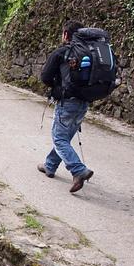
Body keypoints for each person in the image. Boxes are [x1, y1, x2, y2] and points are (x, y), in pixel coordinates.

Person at [38, 20, 94, 193]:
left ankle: (78, 170)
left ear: (65, 35)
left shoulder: (62, 52)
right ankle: (50, 165)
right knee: (64, 137)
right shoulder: (91, 53)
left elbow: (45, 77)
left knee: (59, 138)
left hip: (67, 102)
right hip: (84, 102)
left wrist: (56, 86)